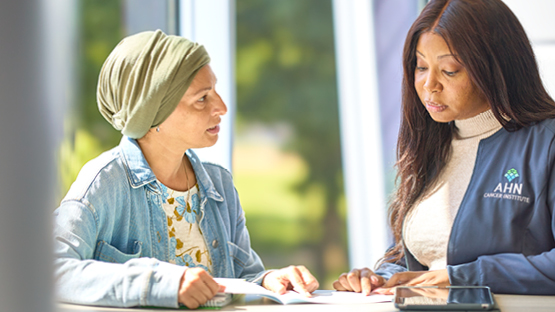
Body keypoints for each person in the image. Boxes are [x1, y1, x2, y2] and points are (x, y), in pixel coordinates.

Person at [53, 30, 318, 309]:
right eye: (202, 98)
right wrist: (157, 284)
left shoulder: (220, 184)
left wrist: (270, 279)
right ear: (155, 112)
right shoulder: (104, 183)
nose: (222, 107)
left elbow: (242, 277)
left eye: (215, 91)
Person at [333, 0, 555, 296]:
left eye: (449, 70)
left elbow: (446, 273)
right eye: (421, 67)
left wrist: (462, 277)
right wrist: (381, 277)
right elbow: (421, 258)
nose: (429, 85)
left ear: (495, 67)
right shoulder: (432, 142)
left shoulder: (546, 142)